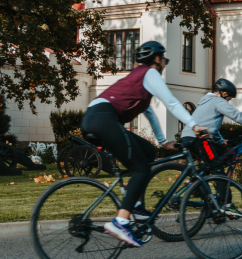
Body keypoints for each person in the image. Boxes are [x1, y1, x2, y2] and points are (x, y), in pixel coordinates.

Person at [81, 41, 207, 247]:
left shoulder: (139, 79)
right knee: (140, 168)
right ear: (157, 59)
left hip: (96, 118)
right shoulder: (150, 73)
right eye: (164, 59)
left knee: (147, 152)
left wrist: (163, 142)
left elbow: (149, 113)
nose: (165, 63)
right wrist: (193, 125)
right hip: (103, 118)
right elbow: (172, 102)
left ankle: (136, 204)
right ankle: (121, 221)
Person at [181, 79, 242, 168]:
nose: (227, 102)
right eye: (228, 99)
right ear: (224, 94)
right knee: (217, 168)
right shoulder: (218, 101)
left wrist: (221, 141)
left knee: (220, 158)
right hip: (198, 138)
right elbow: (237, 115)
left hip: (188, 136)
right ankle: (219, 180)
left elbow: (211, 125)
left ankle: (202, 181)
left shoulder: (206, 101)